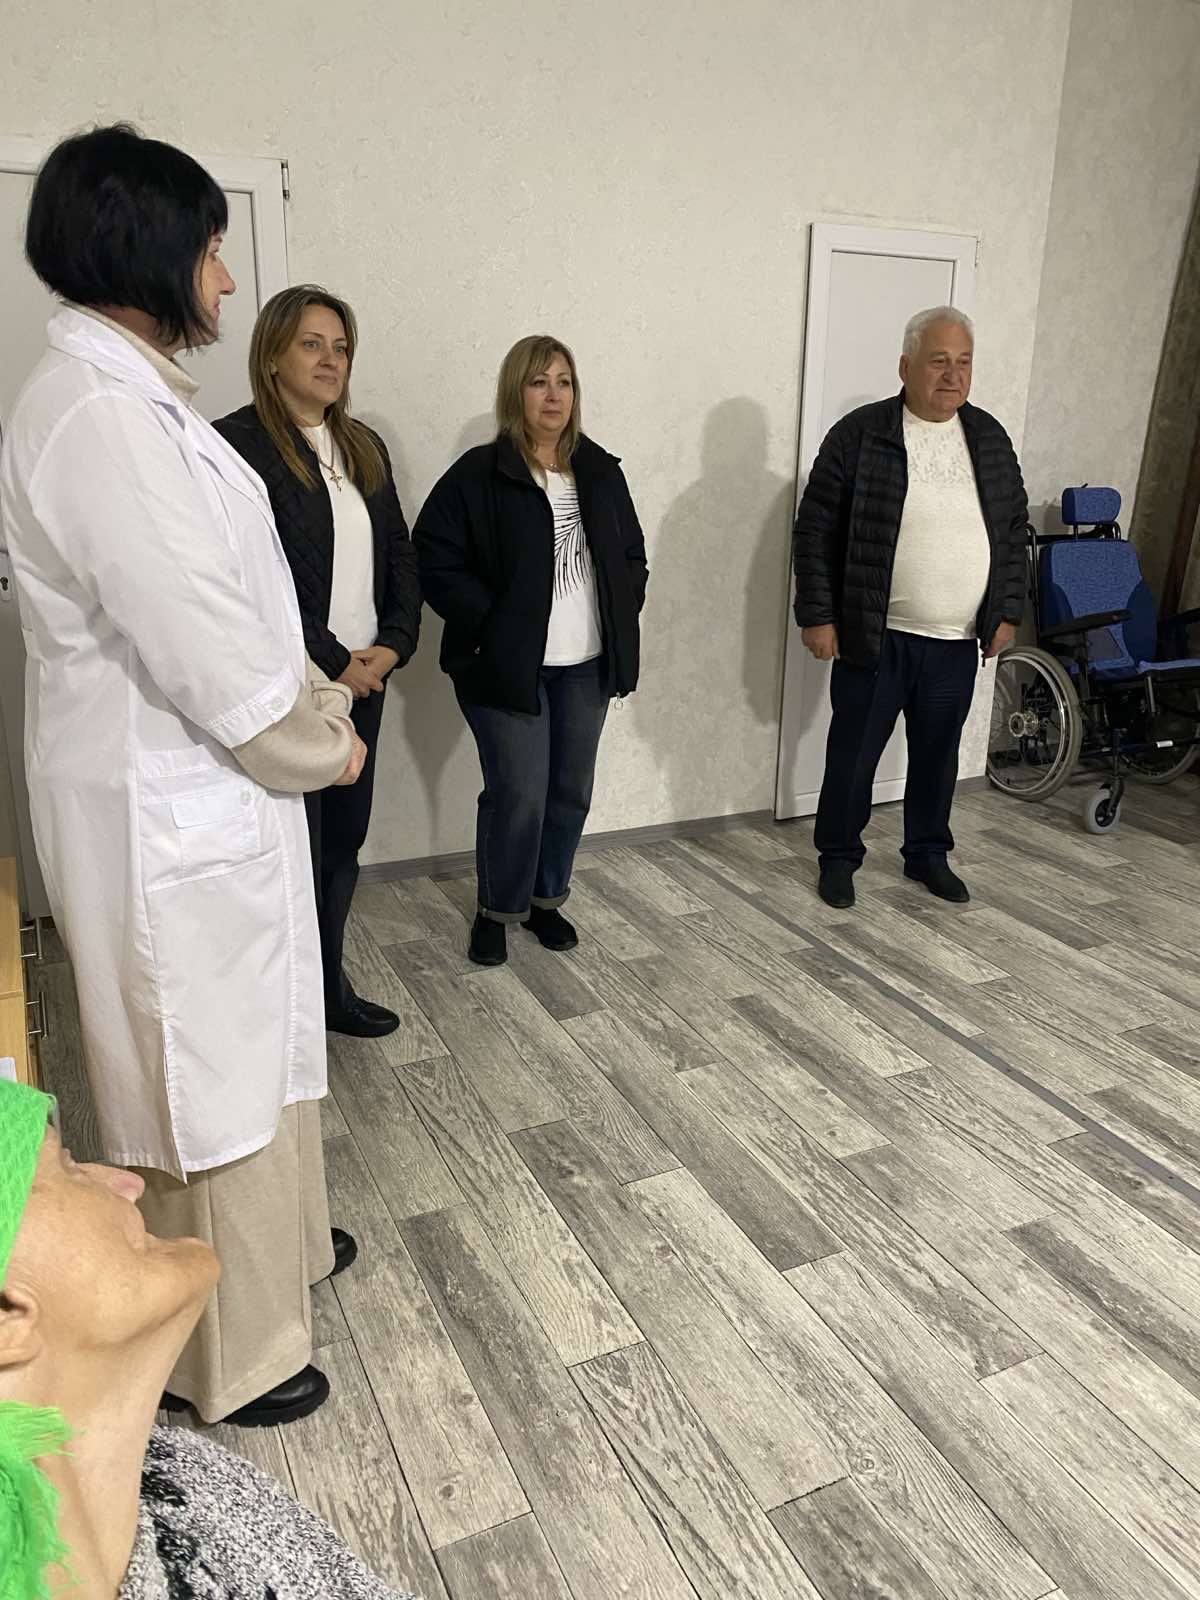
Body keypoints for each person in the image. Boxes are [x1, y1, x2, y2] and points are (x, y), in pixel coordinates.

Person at [0, 125, 363, 1430]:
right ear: (150, 253)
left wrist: (314, 696)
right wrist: (322, 738)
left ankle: (284, 1257)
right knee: (200, 1072)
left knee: (252, 1047)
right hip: (166, 801)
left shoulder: (138, 400)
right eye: (211, 249)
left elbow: (240, 604)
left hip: (210, 788)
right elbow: (206, 645)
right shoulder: (100, 418)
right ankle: (226, 1352)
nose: (225, 276)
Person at [0, 1078, 422, 1599]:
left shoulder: (192, 1470)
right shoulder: (197, 1482)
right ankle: (232, 1367)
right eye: (68, 1168)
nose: (129, 1183)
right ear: (6, 1312)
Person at [215, 288, 421, 1040]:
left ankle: (328, 987)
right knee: (287, 849)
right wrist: (337, 661)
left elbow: (400, 552)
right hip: (293, 685)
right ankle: (283, 1006)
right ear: (272, 355)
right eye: (312, 344)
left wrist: (394, 644)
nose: (331, 360)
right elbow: (252, 582)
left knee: (343, 844)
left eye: (340, 347)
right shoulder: (235, 446)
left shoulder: (362, 444)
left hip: (366, 680)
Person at [414, 335, 648, 967]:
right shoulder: (480, 474)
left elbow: (632, 554)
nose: (554, 395)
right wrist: (492, 623)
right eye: (539, 382)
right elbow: (432, 556)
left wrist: (622, 611)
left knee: (569, 791)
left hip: (586, 668)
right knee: (518, 794)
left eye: (564, 382)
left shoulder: (599, 472)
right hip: (506, 666)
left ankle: (546, 900)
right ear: (514, 392)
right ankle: (498, 910)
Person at [792, 305, 1028, 910]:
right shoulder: (859, 434)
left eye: (963, 363)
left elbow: (1013, 530)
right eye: (938, 361)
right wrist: (817, 615)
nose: (953, 375)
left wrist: (1007, 610)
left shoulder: (990, 439)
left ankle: (927, 854)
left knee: (937, 758)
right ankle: (838, 858)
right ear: (905, 367)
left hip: (956, 641)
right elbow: (815, 530)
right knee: (853, 757)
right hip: (876, 635)